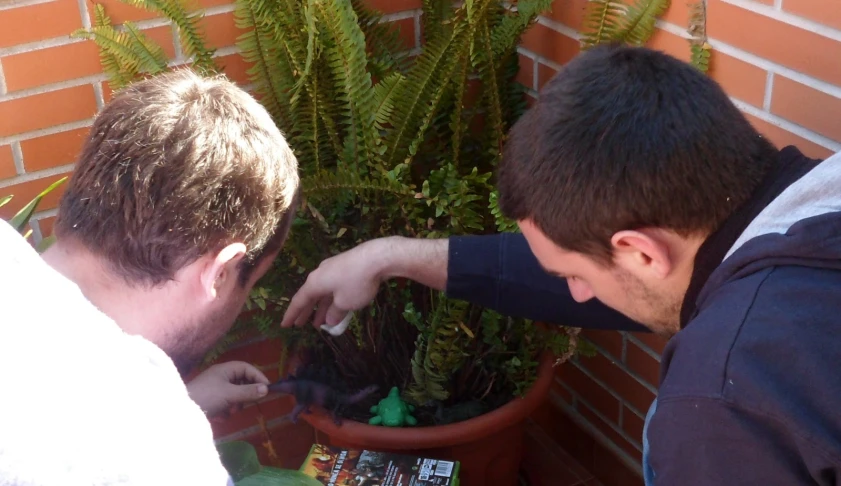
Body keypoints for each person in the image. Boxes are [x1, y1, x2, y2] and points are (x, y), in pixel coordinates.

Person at [281, 44, 841, 484]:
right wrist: (388, 256)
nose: (577, 297)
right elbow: (576, 267)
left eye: (577, 275)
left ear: (643, 251)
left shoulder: (722, 405)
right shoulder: (813, 202)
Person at [0, 69, 300, 485]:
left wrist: (180, 400)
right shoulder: (158, 455)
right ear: (221, 272)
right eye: (251, 284)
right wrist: (160, 416)